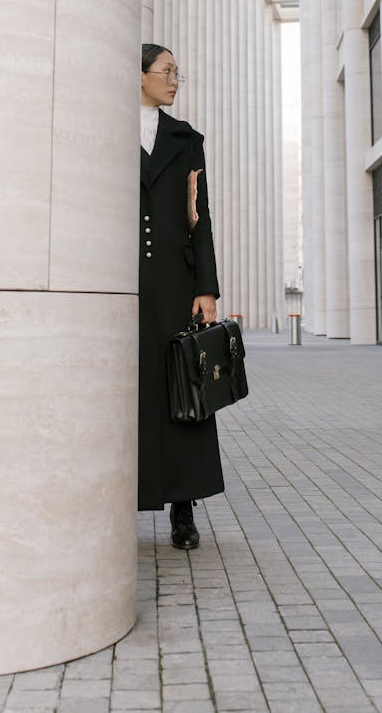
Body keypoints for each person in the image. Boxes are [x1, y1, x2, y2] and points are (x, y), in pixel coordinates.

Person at [138, 43, 224, 549]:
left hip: (175, 281)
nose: (173, 80)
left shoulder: (186, 139)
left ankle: (183, 509)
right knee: (133, 391)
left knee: (181, 392)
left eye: (176, 73)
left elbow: (201, 219)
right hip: (122, 282)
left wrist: (206, 287)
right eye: (166, 71)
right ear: (138, 75)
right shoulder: (103, 124)